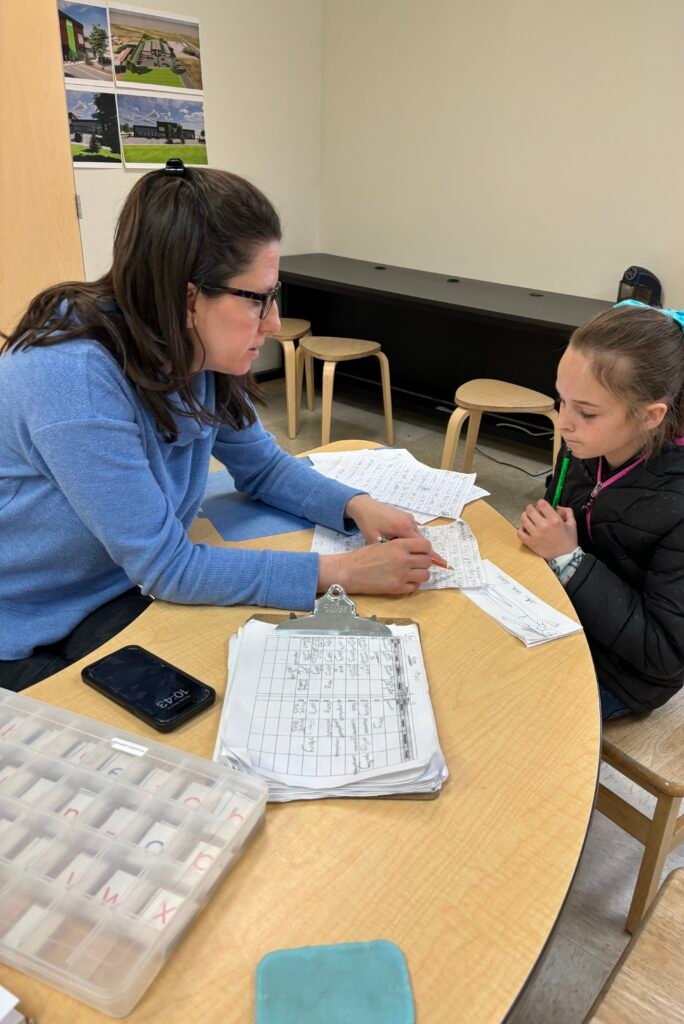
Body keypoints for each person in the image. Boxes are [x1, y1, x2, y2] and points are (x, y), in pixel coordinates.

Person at [0, 160, 436, 691]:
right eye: (258, 300)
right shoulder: (71, 376)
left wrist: (355, 505)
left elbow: (264, 469)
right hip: (23, 623)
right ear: (188, 298)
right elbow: (169, 568)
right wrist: (342, 574)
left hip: (115, 586)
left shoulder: (191, 350)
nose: (273, 323)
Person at [517, 300, 684, 719]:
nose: (564, 423)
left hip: (623, 676)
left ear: (650, 416)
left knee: (499, 712)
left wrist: (568, 560)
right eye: (562, 400)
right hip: (564, 622)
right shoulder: (587, 449)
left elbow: (664, 654)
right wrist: (549, 538)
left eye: (586, 412)